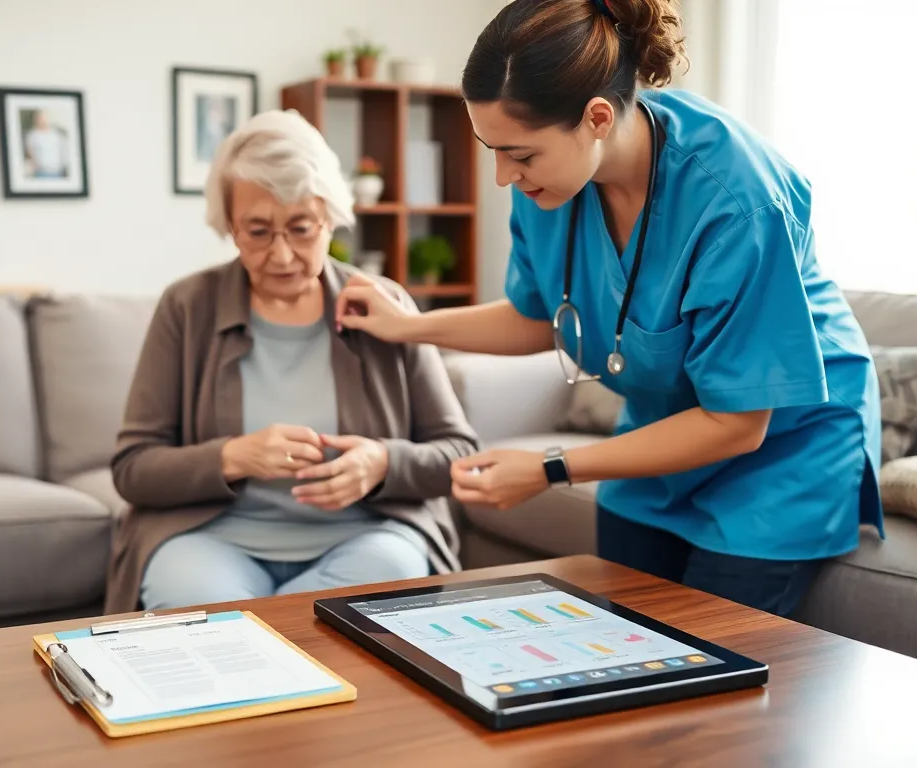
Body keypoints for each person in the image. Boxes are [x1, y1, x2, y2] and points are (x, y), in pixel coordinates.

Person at [334, 0, 883, 618]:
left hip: (781, 449)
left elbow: (738, 423)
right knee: (617, 636)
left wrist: (548, 467)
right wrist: (406, 326)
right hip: (662, 430)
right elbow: (538, 317)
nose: (501, 176)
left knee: (710, 670)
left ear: (597, 117)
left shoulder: (737, 202)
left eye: (518, 154)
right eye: (491, 148)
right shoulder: (551, 182)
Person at [103, 109, 480, 614]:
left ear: (331, 220)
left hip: (363, 539)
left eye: (301, 229)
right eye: (257, 232)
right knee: (195, 598)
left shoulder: (383, 303)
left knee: (386, 575)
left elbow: (458, 452)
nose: (281, 256)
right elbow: (133, 468)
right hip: (211, 542)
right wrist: (232, 457)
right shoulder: (186, 307)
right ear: (229, 227)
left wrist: (382, 463)